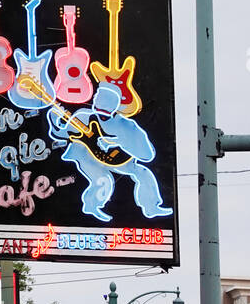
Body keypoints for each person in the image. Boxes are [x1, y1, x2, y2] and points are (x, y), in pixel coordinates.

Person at [47, 83, 172, 222]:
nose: (95, 97)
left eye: (100, 96)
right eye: (96, 96)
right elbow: (59, 133)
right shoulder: (83, 117)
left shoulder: (126, 125)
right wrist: (53, 119)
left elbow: (147, 155)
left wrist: (115, 143)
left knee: (143, 173)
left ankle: (151, 207)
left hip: (119, 159)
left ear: (112, 102)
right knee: (103, 180)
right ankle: (91, 207)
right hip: (88, 157)